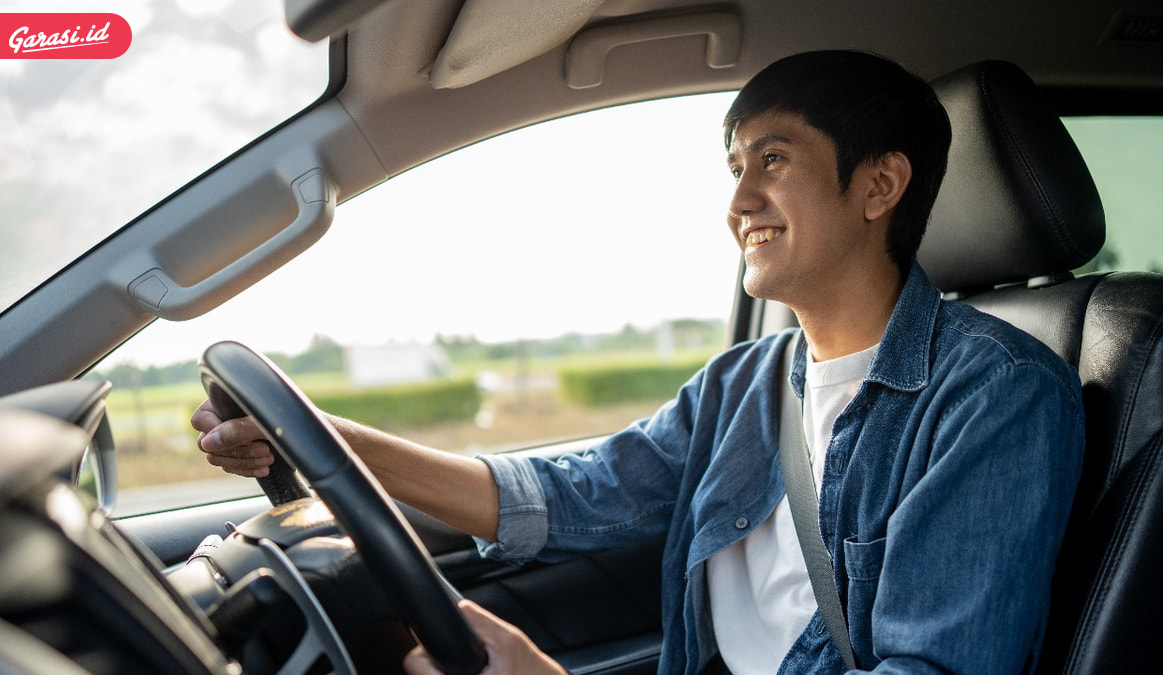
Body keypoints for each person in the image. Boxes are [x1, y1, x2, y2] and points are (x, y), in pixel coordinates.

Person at [194, 50, 1085, 674]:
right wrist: (313, 436)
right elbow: (571, 492)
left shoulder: (994, 397)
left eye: (772, 160)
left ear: (880, 186)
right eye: (735, 167)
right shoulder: (748, 383)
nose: (739, 201)